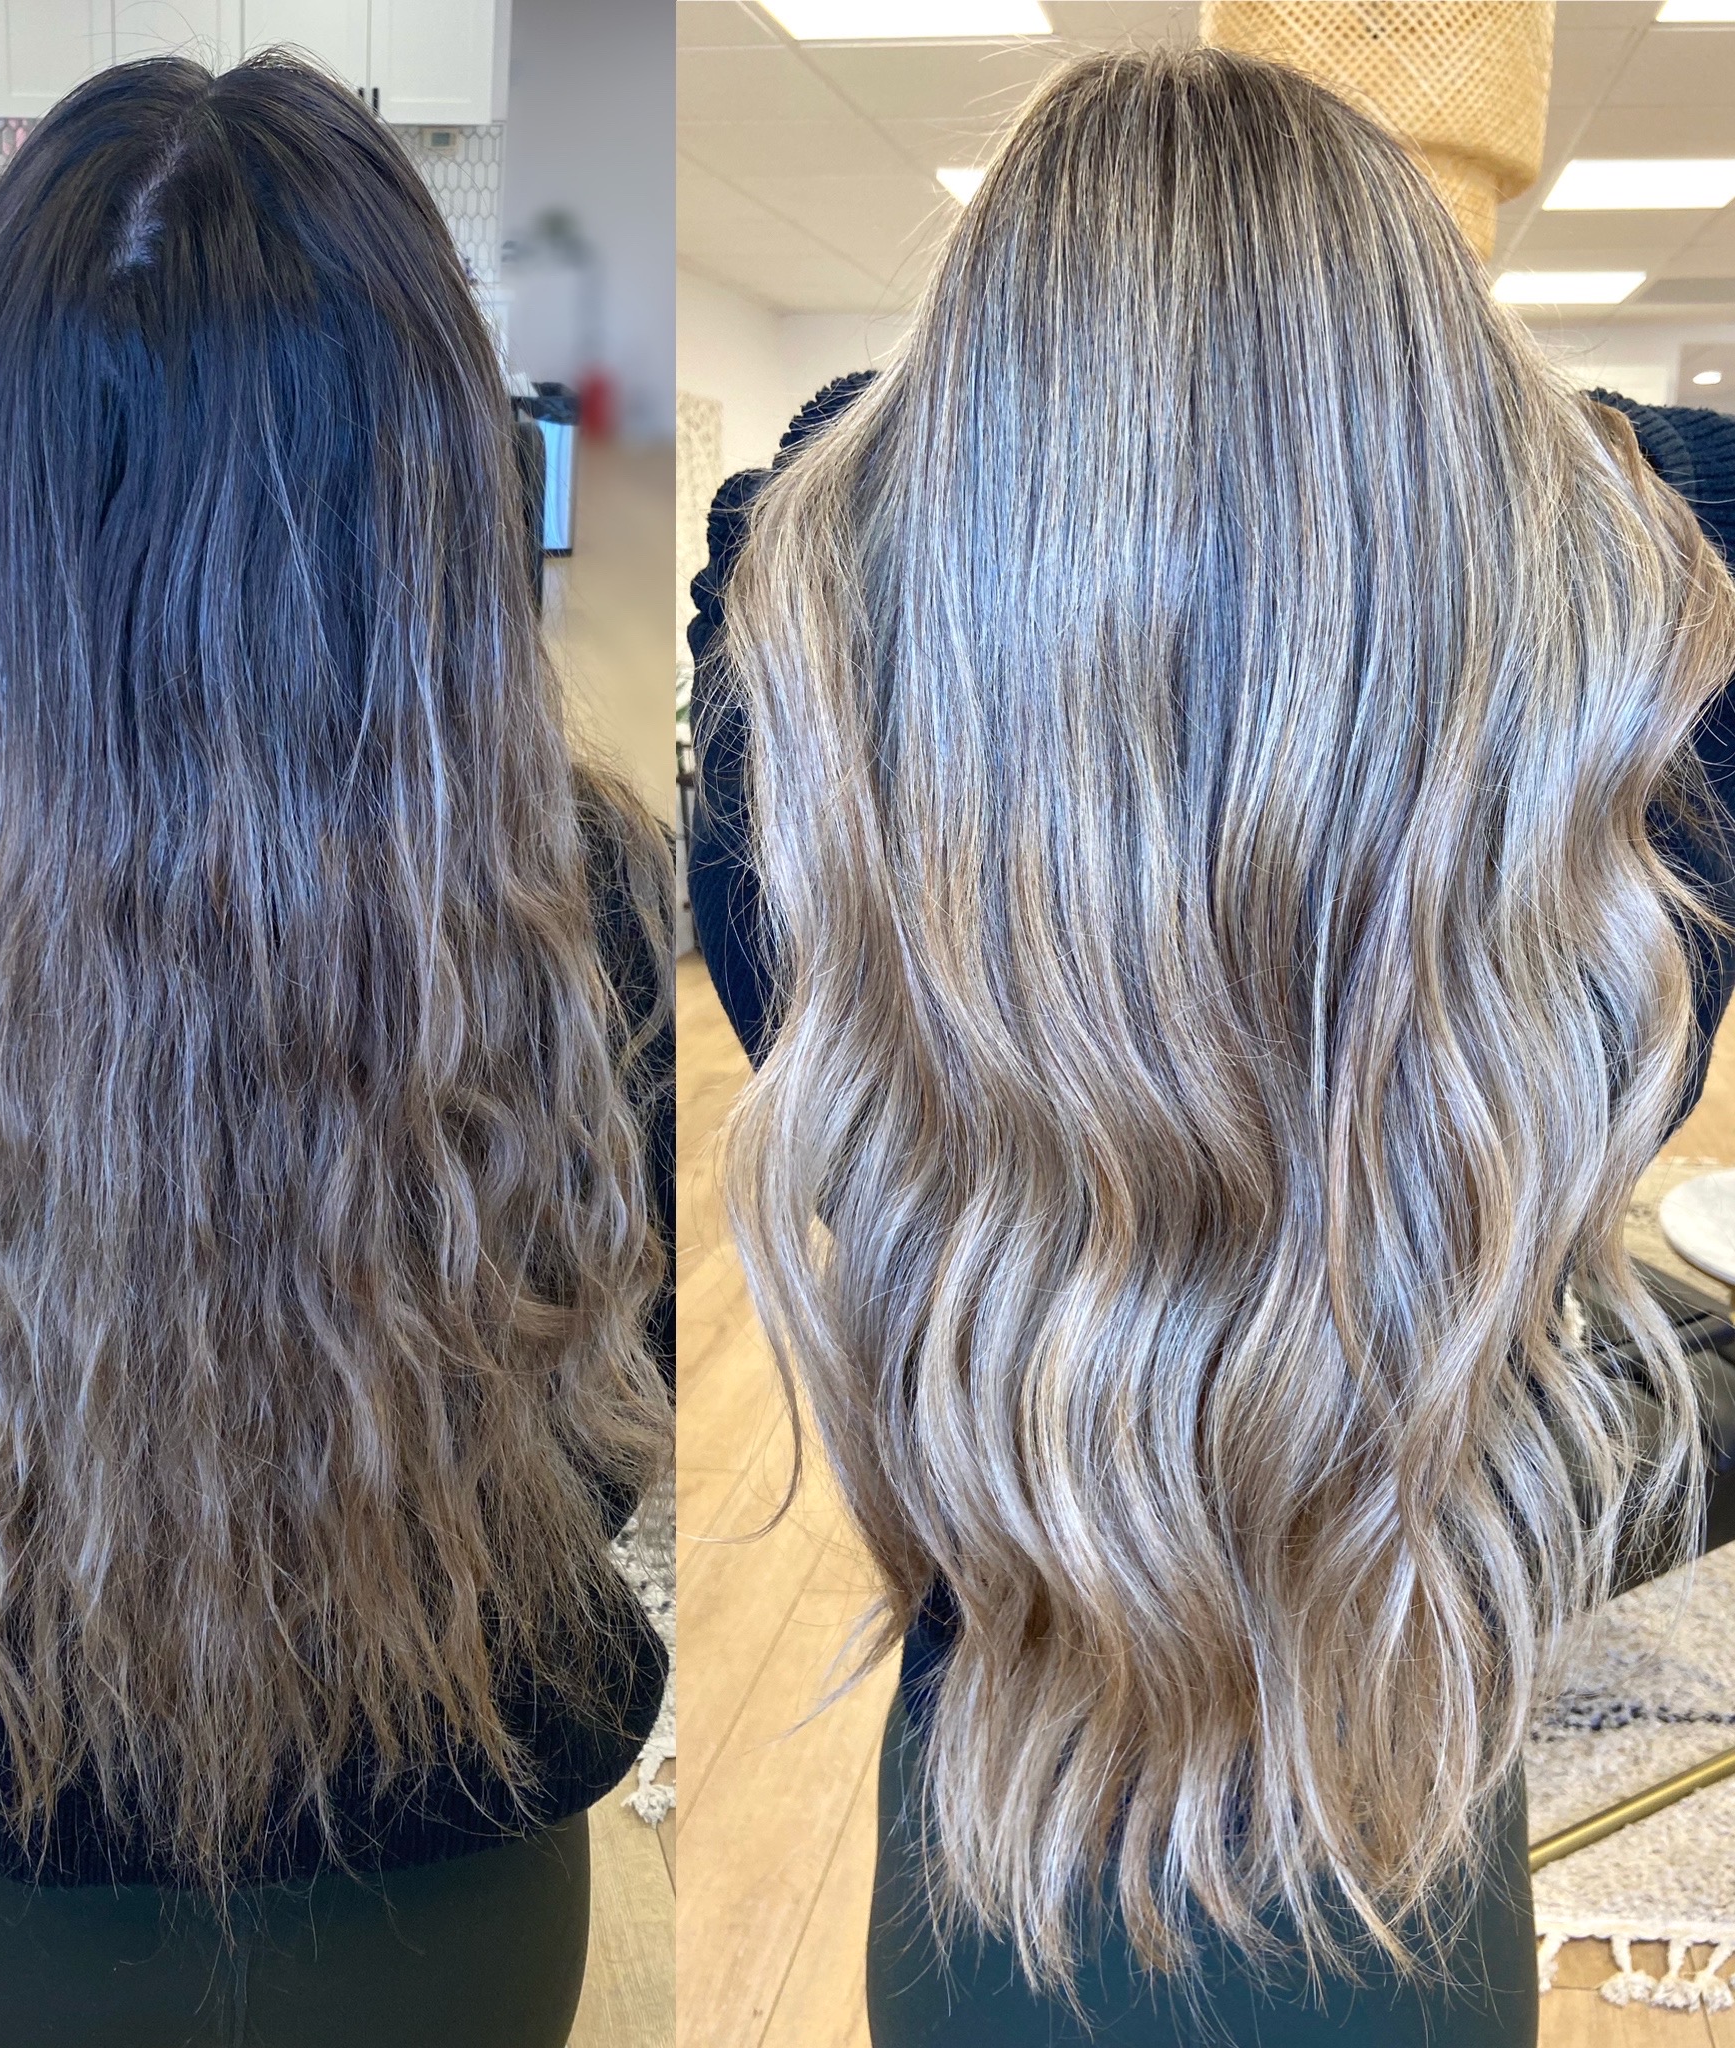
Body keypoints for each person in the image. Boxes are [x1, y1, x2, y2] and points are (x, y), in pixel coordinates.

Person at [688, 45, 1735, 2048]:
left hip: (1001, 1869)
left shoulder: (813, 829)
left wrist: (1007, 416)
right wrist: (1454, 439)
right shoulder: (1611, 882)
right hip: (1401, 1857)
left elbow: (772, 495)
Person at [0, 52, 674, 2048]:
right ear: (435, 490)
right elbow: (603, 1440)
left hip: (15, 1891)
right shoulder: (589, 916)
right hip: (451, 1885)